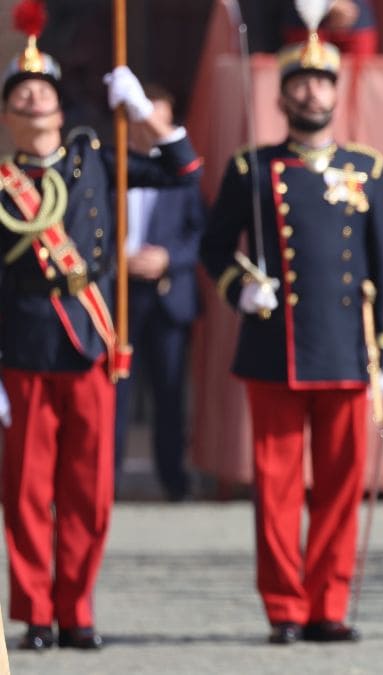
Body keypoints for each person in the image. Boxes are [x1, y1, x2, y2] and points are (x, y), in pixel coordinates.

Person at [0, 1, 202, 649]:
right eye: (21, 94)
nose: (33, 101)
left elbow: (182, 173)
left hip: (90, 340)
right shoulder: (2, 185)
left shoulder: (96, 158)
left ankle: (76, 608)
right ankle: (34, 610)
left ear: (61, 109)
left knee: (88, 488)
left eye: (42, 92)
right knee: (27, 491)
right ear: (7, 114)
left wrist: (141, 112)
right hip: (24, 347)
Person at [200, 33, 383, 643]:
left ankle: (329, 604)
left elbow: (382, 263)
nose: (311, 91)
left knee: (340, 491)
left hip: (344, 346)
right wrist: (242, 288)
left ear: (336, 92)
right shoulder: (250, 167)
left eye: (322, 81)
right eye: (300, 81)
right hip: (275, 348)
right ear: (282, 93)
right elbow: (212, 248)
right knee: (278, 490)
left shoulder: (367, 168)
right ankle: (285, 607)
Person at [113, 84, 206, 502]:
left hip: (168, 294)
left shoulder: (183, 176)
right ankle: (106, 481)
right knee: (115, 394)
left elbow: (202, 234)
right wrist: (118, 260)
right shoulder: (109, 167)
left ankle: (174, 480)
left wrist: (168, 258)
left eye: (159, 121)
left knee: (169, 394)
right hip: (117, 298)